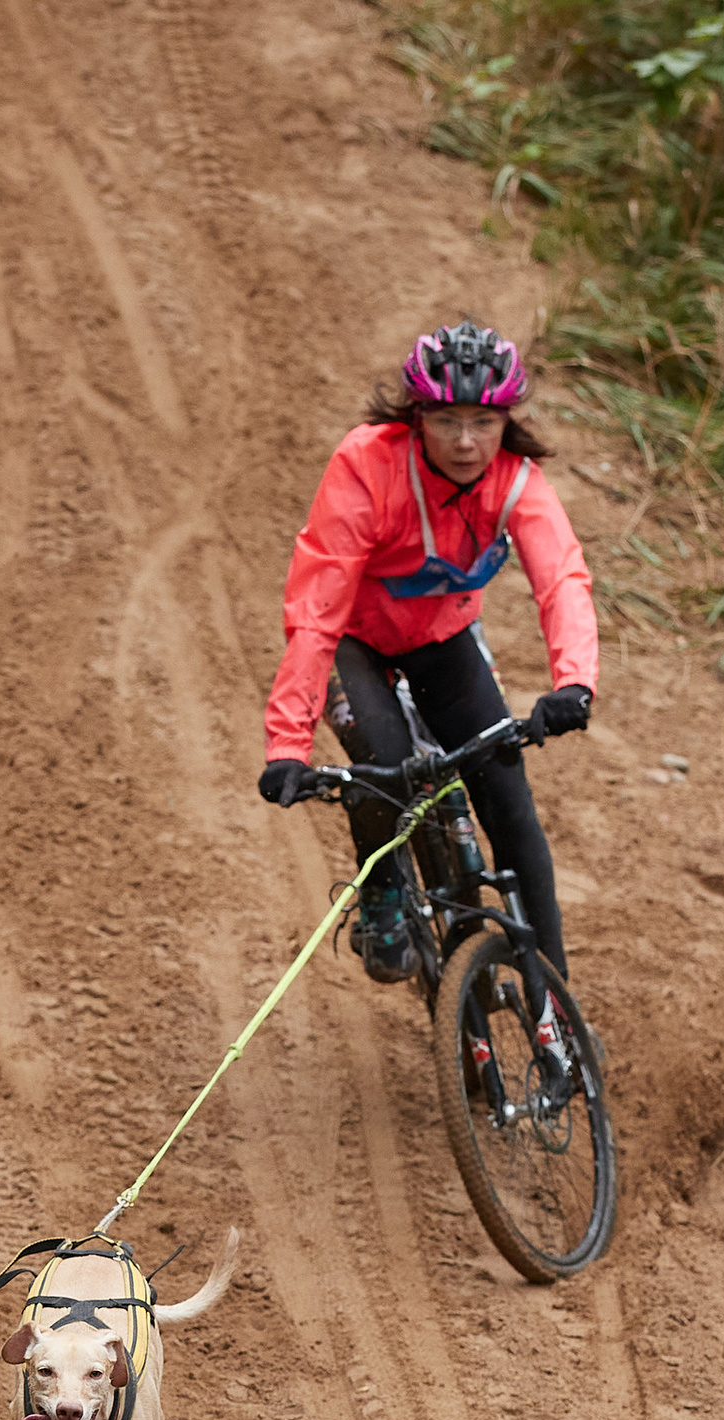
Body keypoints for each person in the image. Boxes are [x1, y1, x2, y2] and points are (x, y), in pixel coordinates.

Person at [258, 321, 599, 1008]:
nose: (467, 441)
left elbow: (561, 579)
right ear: (417, 418)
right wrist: (288, 745)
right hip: (355, 643)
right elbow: (318, 609)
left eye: (484, 420)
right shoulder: (366, 465)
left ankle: (554, 1003)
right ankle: (382, 888)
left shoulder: (513, 482)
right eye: (447, 420)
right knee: (382, 763)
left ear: (506, 420)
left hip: (444, 643)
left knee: (509, 801)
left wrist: (574, 683)